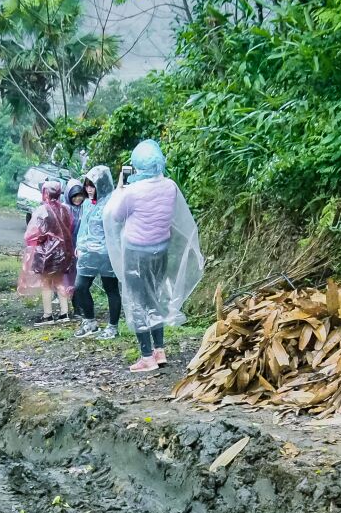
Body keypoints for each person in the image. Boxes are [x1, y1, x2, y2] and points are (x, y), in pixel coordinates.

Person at [103, 140, 204, 372]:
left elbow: (115, 216)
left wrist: (120, 190)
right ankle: (159, 350)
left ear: (137, 165)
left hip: (137, 254)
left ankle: (146, 356)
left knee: (138, 303)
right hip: (161, 251)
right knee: (154, 299)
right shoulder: (170, 186)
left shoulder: (132, 192)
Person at [71, 165, 121, 339]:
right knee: (80, 287)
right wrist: (79, 245)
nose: (89, 189)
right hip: (89, 254)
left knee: (111, 289)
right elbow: (83, 227)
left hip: (107, 254)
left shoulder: (112, 203)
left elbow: (116, 230)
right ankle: (90, 322)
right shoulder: (87, 204)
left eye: (92, 185)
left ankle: (113, 327)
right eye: (87, 185)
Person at [19, 181, 76, 324]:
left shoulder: (42, 211)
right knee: (59, 281)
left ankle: (48, 315)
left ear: (45, 193)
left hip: (46, 253)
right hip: (63, 252)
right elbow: (70, 227)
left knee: (46, 283)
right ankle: (64, 313)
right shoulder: (65, 210)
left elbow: (31, 234)